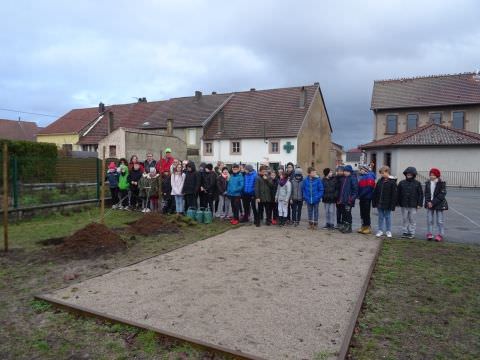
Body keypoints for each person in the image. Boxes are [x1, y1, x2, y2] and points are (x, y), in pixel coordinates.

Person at [397, 167, 423, 239]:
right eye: (407, 174)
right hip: (404, 204)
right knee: (404, 218)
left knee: (412, 219)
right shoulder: (401, 183)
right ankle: (405, 232)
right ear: (405, 174)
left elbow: (420, 194)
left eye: (410, 174)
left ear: (413, 175)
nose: (409, 175)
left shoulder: (417, 183)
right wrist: (397, 203)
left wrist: (419, 204)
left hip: (413, 205)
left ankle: (411, 232)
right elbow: (398, 193)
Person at [372, 166, 398, 238]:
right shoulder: (380, 181)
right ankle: (380, 230)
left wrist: (392, 205)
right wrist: (374, 202)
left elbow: (394, 195)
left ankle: (388, 231)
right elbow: (376, 192)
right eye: (381, 173)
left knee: (387, 217)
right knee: (380, 217)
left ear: (387, 172)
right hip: (379, 203)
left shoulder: (392, 182)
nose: (381, 175)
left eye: (383, 173)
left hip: (388, 204)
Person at [424, 168, 447, 242]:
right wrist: (428, 202)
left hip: (438, 204)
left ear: (437, 175)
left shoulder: (441, 183)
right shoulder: (428, 183)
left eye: (433, 175)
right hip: (429, 204)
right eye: (430, 175)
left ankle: (440, 234)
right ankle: (429, 234)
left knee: (439, 221)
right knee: (429, 220)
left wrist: (433, 202)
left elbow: (442, 195)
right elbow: (426, 193)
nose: (431, 176)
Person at [337, 165, 359, 233]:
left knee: (348, 214)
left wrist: (351, 199)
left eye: (346, 171)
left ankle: (349, 228)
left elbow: (355, 191)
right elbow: (341, 190)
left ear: (350, 171)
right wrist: (340, 199)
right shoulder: (343, 178)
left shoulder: (353, 178)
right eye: (344, 171)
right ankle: (345, 226)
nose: (345, 172)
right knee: (344, 213)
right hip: (343, 200)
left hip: (349, 201)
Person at [357, 165, 376, 234]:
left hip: (367, 198)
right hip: (362, 198)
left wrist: (360, 195)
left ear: (365, 170)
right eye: (360, 169)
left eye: (361, 169)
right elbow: (359, 187)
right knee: (362, 213)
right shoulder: (361, 177)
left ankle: (368, 226)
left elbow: (369, 188)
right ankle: (363, 226)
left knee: (366, 213)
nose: (360, 170)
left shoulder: (370, 177)